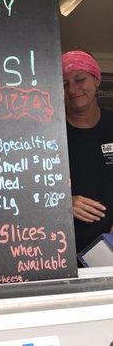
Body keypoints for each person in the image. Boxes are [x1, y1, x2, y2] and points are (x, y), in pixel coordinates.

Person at [62, 50, 113, 254]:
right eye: (64, 84)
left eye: (80, 79)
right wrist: (64, 201)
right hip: (59, 250)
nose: (73, 89)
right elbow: (30, 187)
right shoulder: (47, 133)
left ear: (96, 80)